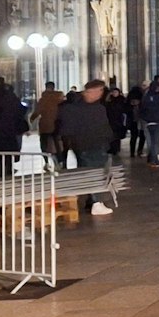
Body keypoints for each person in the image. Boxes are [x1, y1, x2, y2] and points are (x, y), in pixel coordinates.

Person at [57, 79, 118, 215]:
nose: (101, 94)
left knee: (89, 172)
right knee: (96, 174)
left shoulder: (74, 106)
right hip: (91, 144)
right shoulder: (89, 108)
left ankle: (92, 200)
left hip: (87, 145)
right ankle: (96, 202)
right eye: (100, 90)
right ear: (91, 91)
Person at [35, 80, 64, 156]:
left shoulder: (43, 99)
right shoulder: (59, 98)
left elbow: (37, 111)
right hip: (57, 124)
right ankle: (59, 160)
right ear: (53, 87)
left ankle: (46, 161)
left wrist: (31, 120)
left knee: (44, 143)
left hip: (45, 125)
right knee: (57, 143)